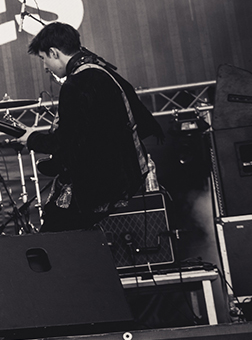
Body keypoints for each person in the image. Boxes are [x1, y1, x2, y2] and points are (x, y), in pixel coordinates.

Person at [21, 22, 163, 232]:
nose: (45, 67)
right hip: (124, 176)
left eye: (43, 58)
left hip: (101, 185)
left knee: (53, 236)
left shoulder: (76, 84)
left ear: (54, 52)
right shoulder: (103, 73)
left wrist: (32, 139)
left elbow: (66, 142)